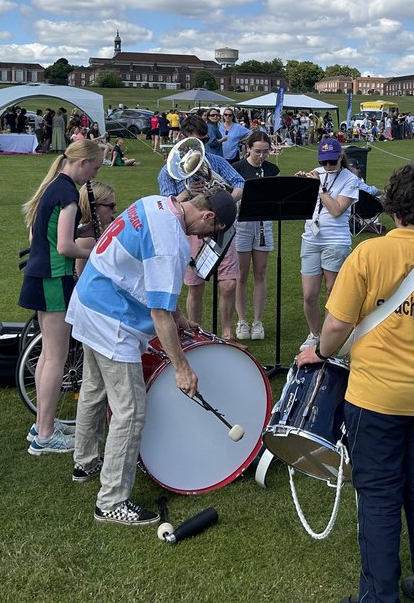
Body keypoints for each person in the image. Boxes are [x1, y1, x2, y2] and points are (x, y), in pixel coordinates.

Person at [296, 162, 414, 602]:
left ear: (393, 207)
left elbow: (336, 325)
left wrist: (320, 351)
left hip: (374, 399)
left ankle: (379, 596)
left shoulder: (367, 255)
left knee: (379, 495)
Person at [66, 189, 237, 524]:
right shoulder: (171, 243)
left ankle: (85, 462)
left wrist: (179, 317)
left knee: (94, 389)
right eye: (211, 231)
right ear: (207, 216)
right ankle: (111, 501)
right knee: (130, 411)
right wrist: (182, 368)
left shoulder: (154, 202)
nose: (206, 238)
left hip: (90, 301)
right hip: (112, 321)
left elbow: (149, 280)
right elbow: (158, 314)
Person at [19, 138, 103, 453]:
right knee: (56, 356)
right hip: (54, 278)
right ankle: (45, 436)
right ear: (83, 163)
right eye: (95, 168)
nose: (94, 175)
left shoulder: (55, 186)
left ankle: (44, 423)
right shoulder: (68, 193)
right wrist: (96, 250)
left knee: (49, 355)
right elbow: (65, 247)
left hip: (42, 276)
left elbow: (42, 236)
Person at [157, 114, 245, 338]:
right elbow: (168, 206)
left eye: (204, 141)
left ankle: (227, 331)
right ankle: (194, 333)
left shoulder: (215, 161)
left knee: (228, 284)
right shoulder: (168, 171)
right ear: (183, 139)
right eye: (196, 142)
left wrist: (225, 200)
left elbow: (239, 183)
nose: (202, 147)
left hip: (220, 225)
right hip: (191, 230)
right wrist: (188, 192)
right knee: (195, 286)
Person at [294, 138, 361, 348]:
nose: (328, 166)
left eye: (332, 162)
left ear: (341, 157)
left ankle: (329, 336)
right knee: (309, 295)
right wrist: (300, 184)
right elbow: (300, 203)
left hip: (336, 240)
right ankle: (314, 334)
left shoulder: (350, 179)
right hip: (311, 238)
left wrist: (320, 188)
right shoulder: (317, 172)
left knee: (332, 291)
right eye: (324, 162)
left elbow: (337, 210)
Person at [232, 130, 279, 340]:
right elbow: (230, 197)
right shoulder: (238, 168)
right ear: (248, 149)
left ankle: (257, 322)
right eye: (257, 151)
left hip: (263, 223)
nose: (261, 155)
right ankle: (241, 321)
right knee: (241, 274)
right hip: (242, 223)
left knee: (260, 273)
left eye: (265, 151)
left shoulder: (272, 169)